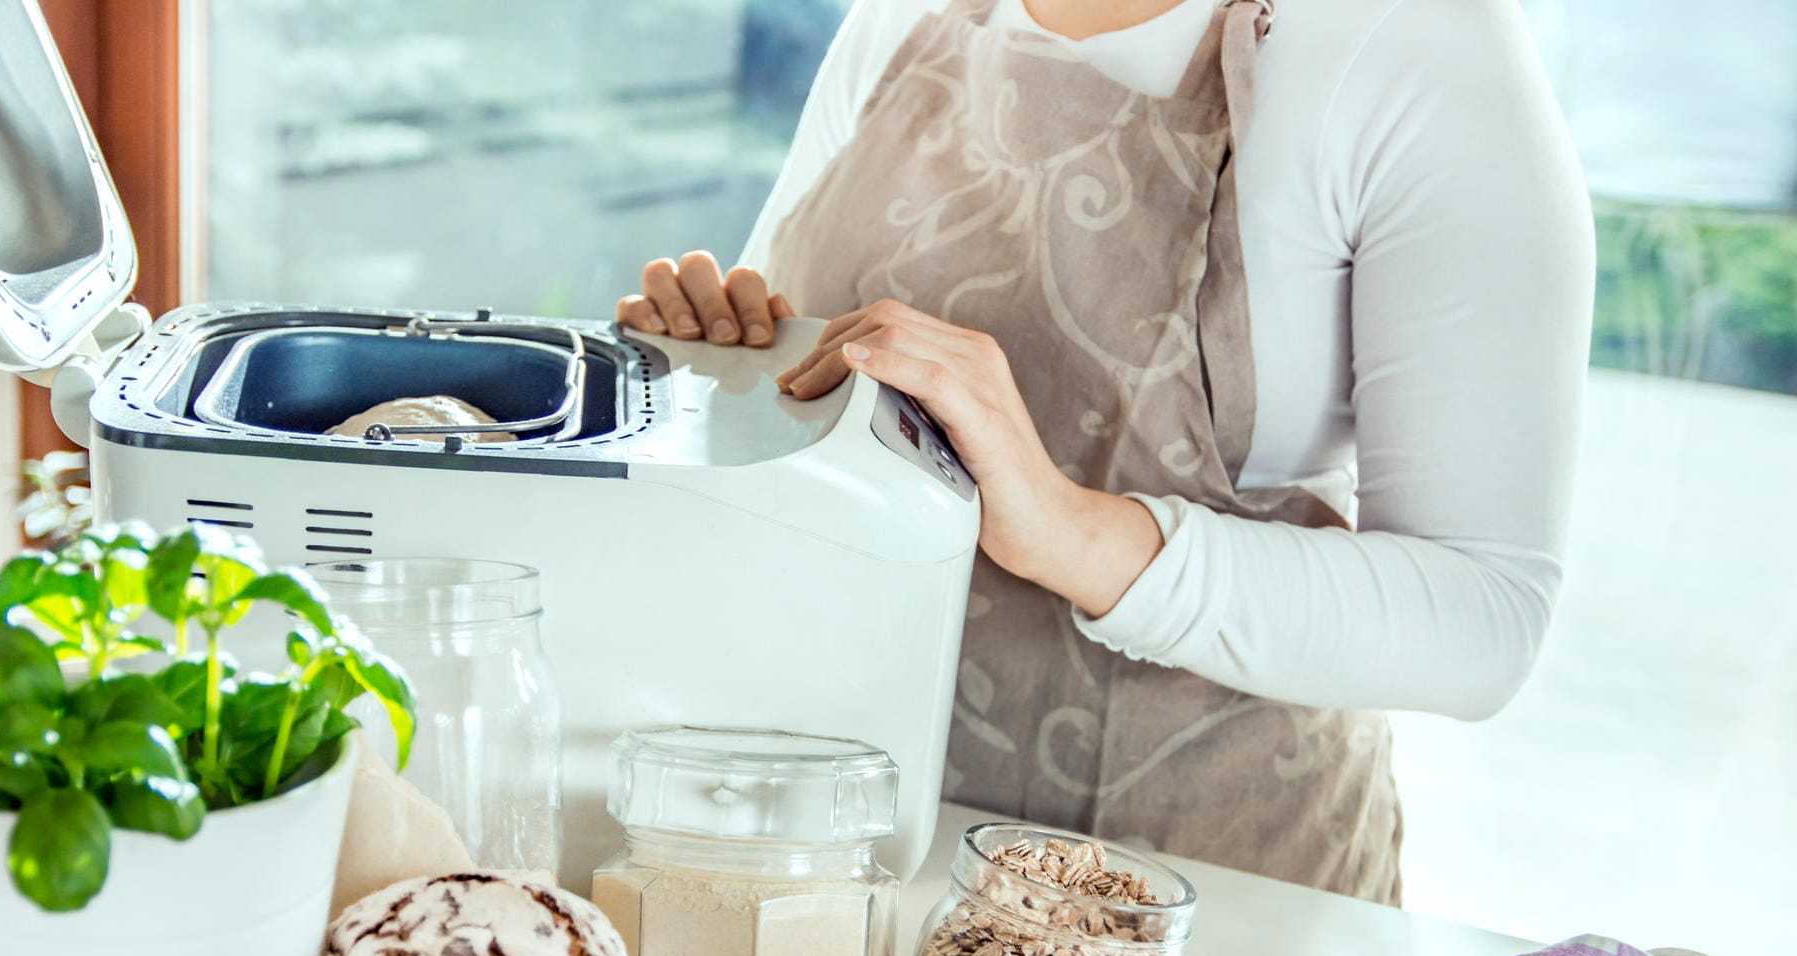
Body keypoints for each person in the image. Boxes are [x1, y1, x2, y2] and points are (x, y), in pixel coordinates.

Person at [614, 0, 1594, 902]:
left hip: (1197, 914)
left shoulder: (1415, 48)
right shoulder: (906, 16)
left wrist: (1068, 531)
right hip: (835, 871)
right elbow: (813, 423)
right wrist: (720, 365)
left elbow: (1484, 620)